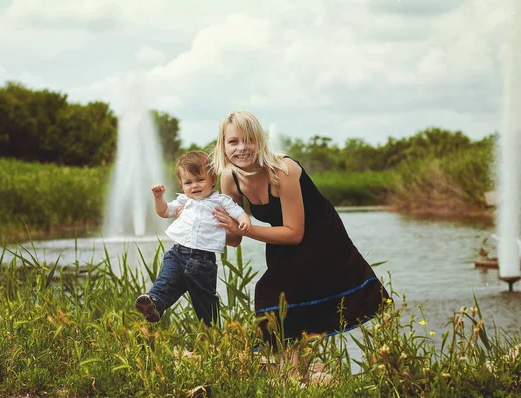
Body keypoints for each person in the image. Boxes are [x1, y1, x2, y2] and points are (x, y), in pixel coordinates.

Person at [210, 110, 389, 346]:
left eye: (249, 140)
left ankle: (294, 371)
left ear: (260, 141)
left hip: (320, 236)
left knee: (271, 294)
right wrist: (203, 223)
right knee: (281, 303)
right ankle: (294, 372)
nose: (242, 147)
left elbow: (295, 233)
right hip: (279, 239)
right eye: (233, 141)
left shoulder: (283, 169)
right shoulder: (230, 179)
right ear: (223, 146)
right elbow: (234, 238)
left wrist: (245, 228)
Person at [135, 150, 252, 326]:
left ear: (213, 179)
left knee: (205, 302)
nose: (194, 185)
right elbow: (164, 211)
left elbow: (239, 211)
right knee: (166, 281)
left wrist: (244, 222)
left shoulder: (221, 201)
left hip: (203, 261)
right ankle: (154, 303)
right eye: (188, 182)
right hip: (177, 253)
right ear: (181, 185)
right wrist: (158, 197)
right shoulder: (184, 202)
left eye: (200, 180)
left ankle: (212, 335)